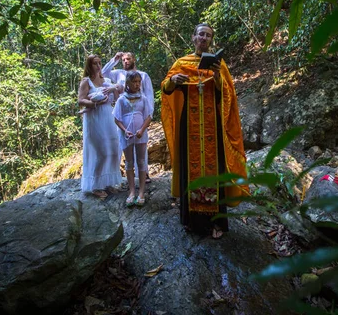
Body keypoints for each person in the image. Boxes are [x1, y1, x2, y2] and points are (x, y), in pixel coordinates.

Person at [160, 23, 248, 238]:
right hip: (189, 126)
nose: (204, 38)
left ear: (211, 40)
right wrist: (173, 80)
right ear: (193, 37)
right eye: (201, 34)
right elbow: (164, 87)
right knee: (189, 171)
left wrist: (217, 76)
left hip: (212, 126)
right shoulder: (182, 63)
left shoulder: (219, 64)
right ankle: (191, 221)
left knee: (215, 171)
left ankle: (217, 223)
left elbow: (227, 93)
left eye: (208, 35)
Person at [102, 51, 154, 182]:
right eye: (123, 59)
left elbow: (149, 96)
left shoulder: (143, 75)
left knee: (140, 142)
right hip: (122, 113)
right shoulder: (119, 73)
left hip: (140, 114)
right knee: (121, 142)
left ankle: (143, 173)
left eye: (128, 59)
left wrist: (149, 116)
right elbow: (102, 74)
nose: (125, 61)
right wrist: (114, 60)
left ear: (134, 59)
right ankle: (117, 176)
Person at [78, 55, 122, 198]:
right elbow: (81, 100)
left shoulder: (107, 81)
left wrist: (114, 88)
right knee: (101, 152)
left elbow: (116, 97)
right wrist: (94, 102)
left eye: (99, 63)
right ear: (89, 66)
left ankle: (108, 182)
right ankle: (96, 185)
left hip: (108, 116)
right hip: (94, 118)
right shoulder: (86, 81)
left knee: (114, 149)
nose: (97, 66)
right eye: (94, 63)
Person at [113, 71, 152, 206]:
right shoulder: (122, 99)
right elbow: (117, 118)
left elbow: (148, 116)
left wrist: (142, 129)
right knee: (129, 162)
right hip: (126, 135)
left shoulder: (143, 98)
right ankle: (131, 192)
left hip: (141, 134)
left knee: (141, 161)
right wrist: (125, 130)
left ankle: (141, 192)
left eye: (138, 82)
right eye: (134, 82)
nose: (136, 84)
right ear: (128, 83)